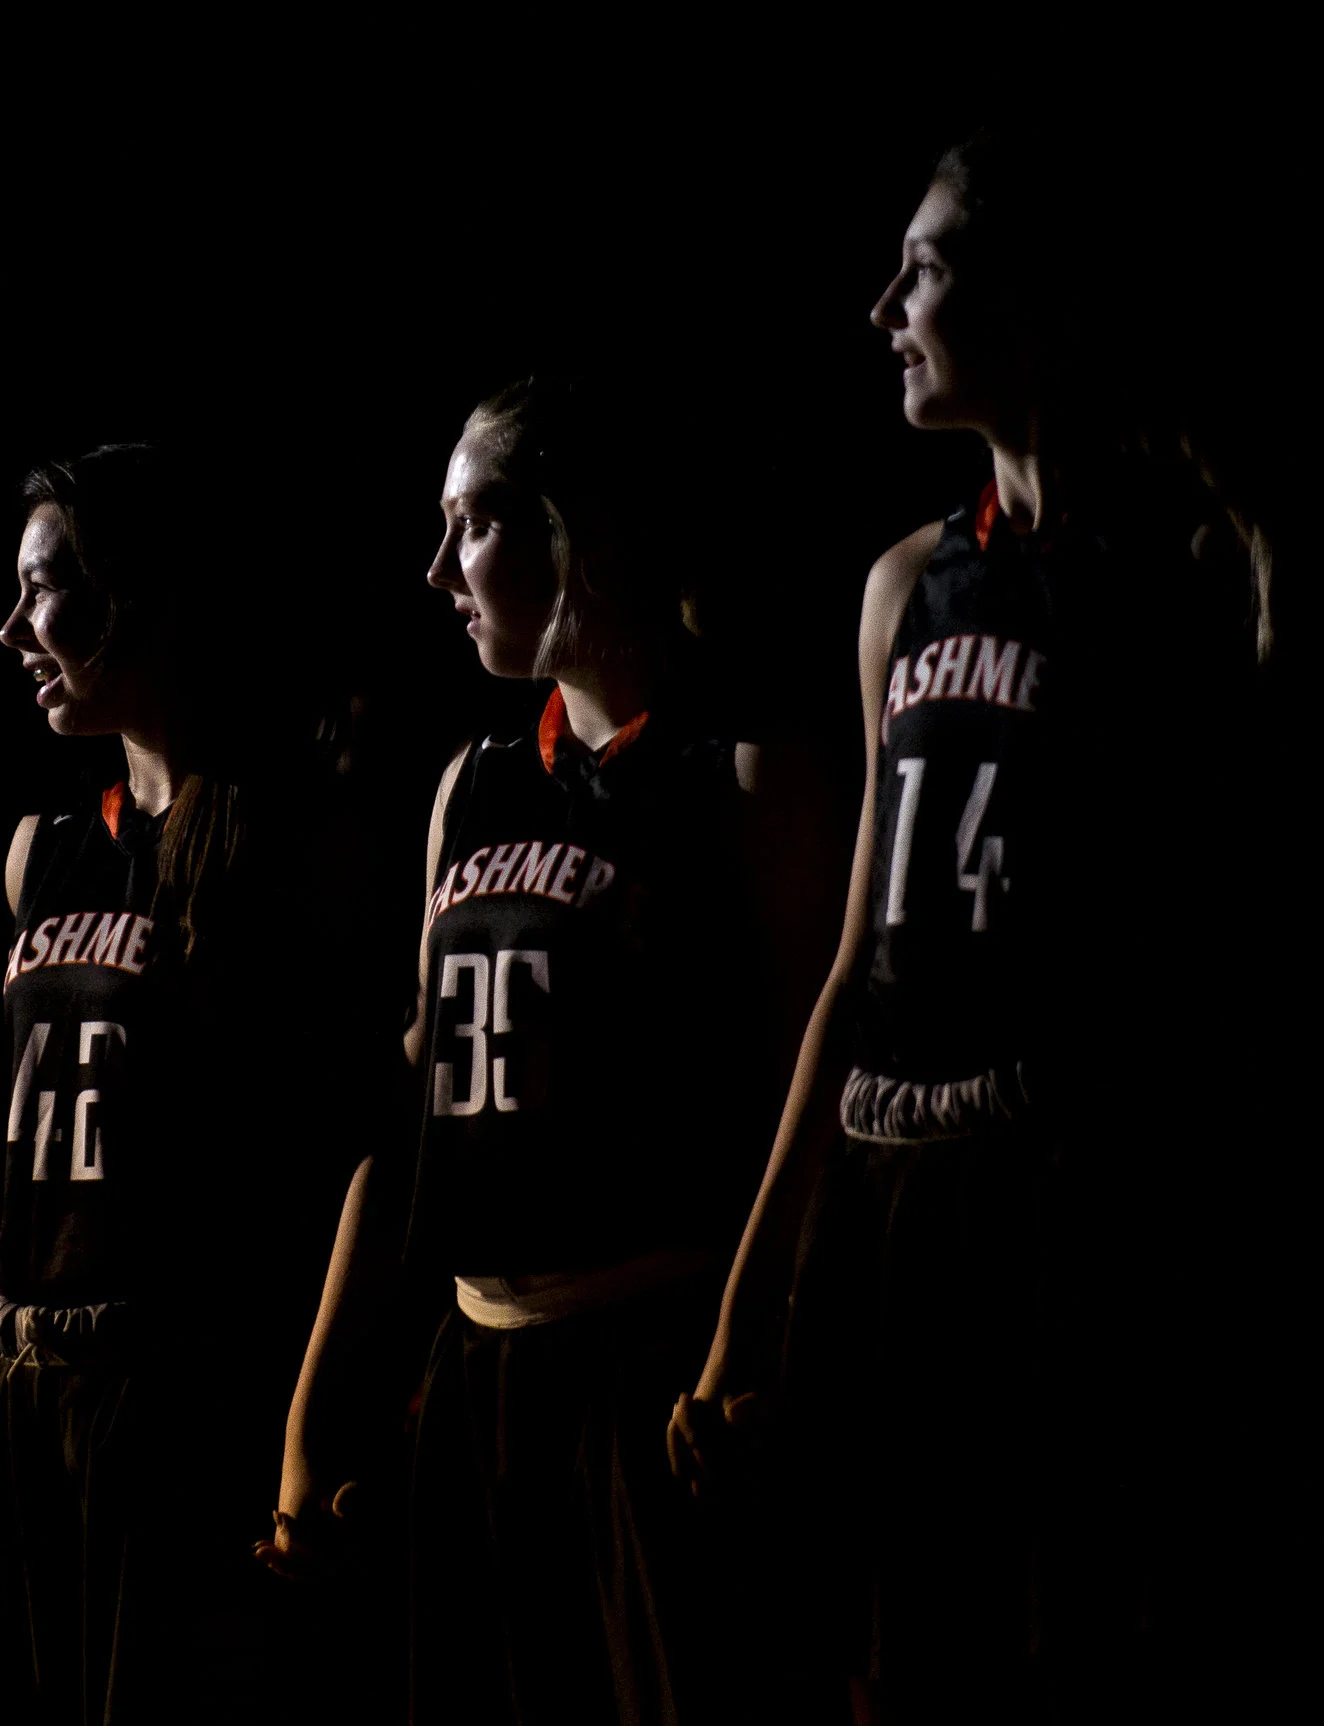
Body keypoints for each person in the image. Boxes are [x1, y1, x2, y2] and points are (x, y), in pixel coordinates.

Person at [667, 130, 1277, 1723]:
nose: (881, 304)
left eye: (921, 268)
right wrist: (752, 1295)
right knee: (888, 1658)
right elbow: (855, 969)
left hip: (1074, 1212)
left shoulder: (1190, 569)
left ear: (1037, 301)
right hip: (889, 1204)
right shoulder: (904, 586)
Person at [261, 379, 829, 1723]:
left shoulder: (738, 772)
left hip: (653, 1368)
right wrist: (311, 1413)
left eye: (465, 526)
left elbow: (817, 1095)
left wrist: (750, 1353)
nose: (435, 569)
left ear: (565, 526)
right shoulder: (472, 782)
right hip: (475, 1380)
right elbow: (413, 1121)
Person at [0, 444, 388, 1723]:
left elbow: (355, 1154)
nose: (10, 627)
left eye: (45, 591)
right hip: (17, 1397)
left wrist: (304, 1425)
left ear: (143, 594)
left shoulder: (286, 843)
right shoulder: (41, 851)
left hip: (170, 1415)